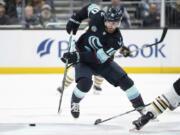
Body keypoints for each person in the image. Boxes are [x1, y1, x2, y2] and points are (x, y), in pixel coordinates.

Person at [61, 3, 145, 118]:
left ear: (119, 23)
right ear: (105, 19)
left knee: (127, 82)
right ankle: (74, 102)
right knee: (85, 84)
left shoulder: (117, 40)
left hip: (101, 62)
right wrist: (76, 19)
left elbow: (97, 58)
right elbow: (90, 6)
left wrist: (77, 56)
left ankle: (141, 107)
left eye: (115, 23)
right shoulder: (98, 16)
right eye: (109, 22)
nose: (111, 25)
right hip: (83, 59)